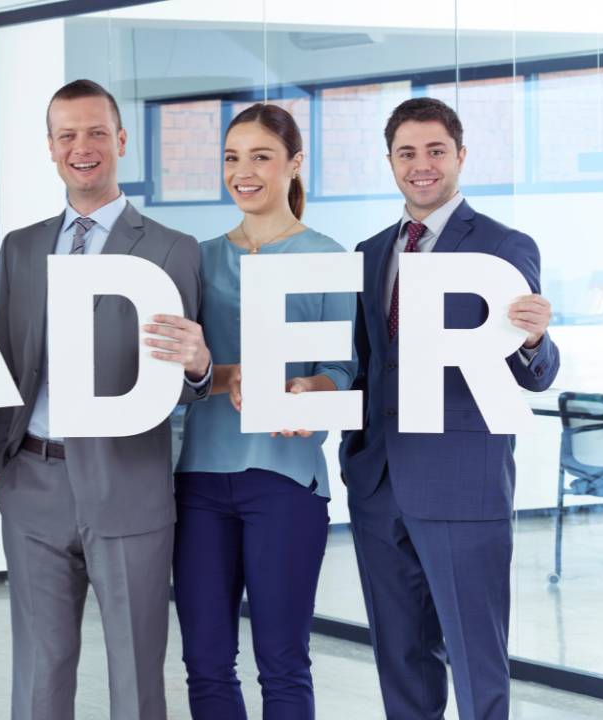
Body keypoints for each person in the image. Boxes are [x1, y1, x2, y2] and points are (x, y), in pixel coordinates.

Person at [0, 78, 213, 720]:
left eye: (94, 132)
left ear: (120, 140)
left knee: (137, 674)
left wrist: (198, 366)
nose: (81, 147)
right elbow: (8, 360)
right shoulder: (21, 247)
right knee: (39, 672)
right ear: (50, 148)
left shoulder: (172, 249)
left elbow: (187, 379)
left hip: (128, 480)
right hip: (33, 481)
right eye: (66, 135)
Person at [341, 97, 559, 720]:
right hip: (379, 482)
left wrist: (537, 339)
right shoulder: (371, 251)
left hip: (464, 486)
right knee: (400, 658)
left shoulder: (503, 246)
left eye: (436, 150)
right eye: (407, 153)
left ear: (460, 155)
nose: (422, 165)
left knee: (475, 659)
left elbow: (534, 373)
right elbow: (366, 365)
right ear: (390, 162)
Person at [172, 103, 354, 719]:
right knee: (204, 660)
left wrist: (309, 391)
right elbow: (175, 372)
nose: (243, 171)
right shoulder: (195, 259)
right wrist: (228, 378)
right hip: (196, 481)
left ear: (294, 163)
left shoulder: (328, 256)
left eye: (261, 156)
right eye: (232, 157)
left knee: (282, 660)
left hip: (285, 482)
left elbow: (345, 371)